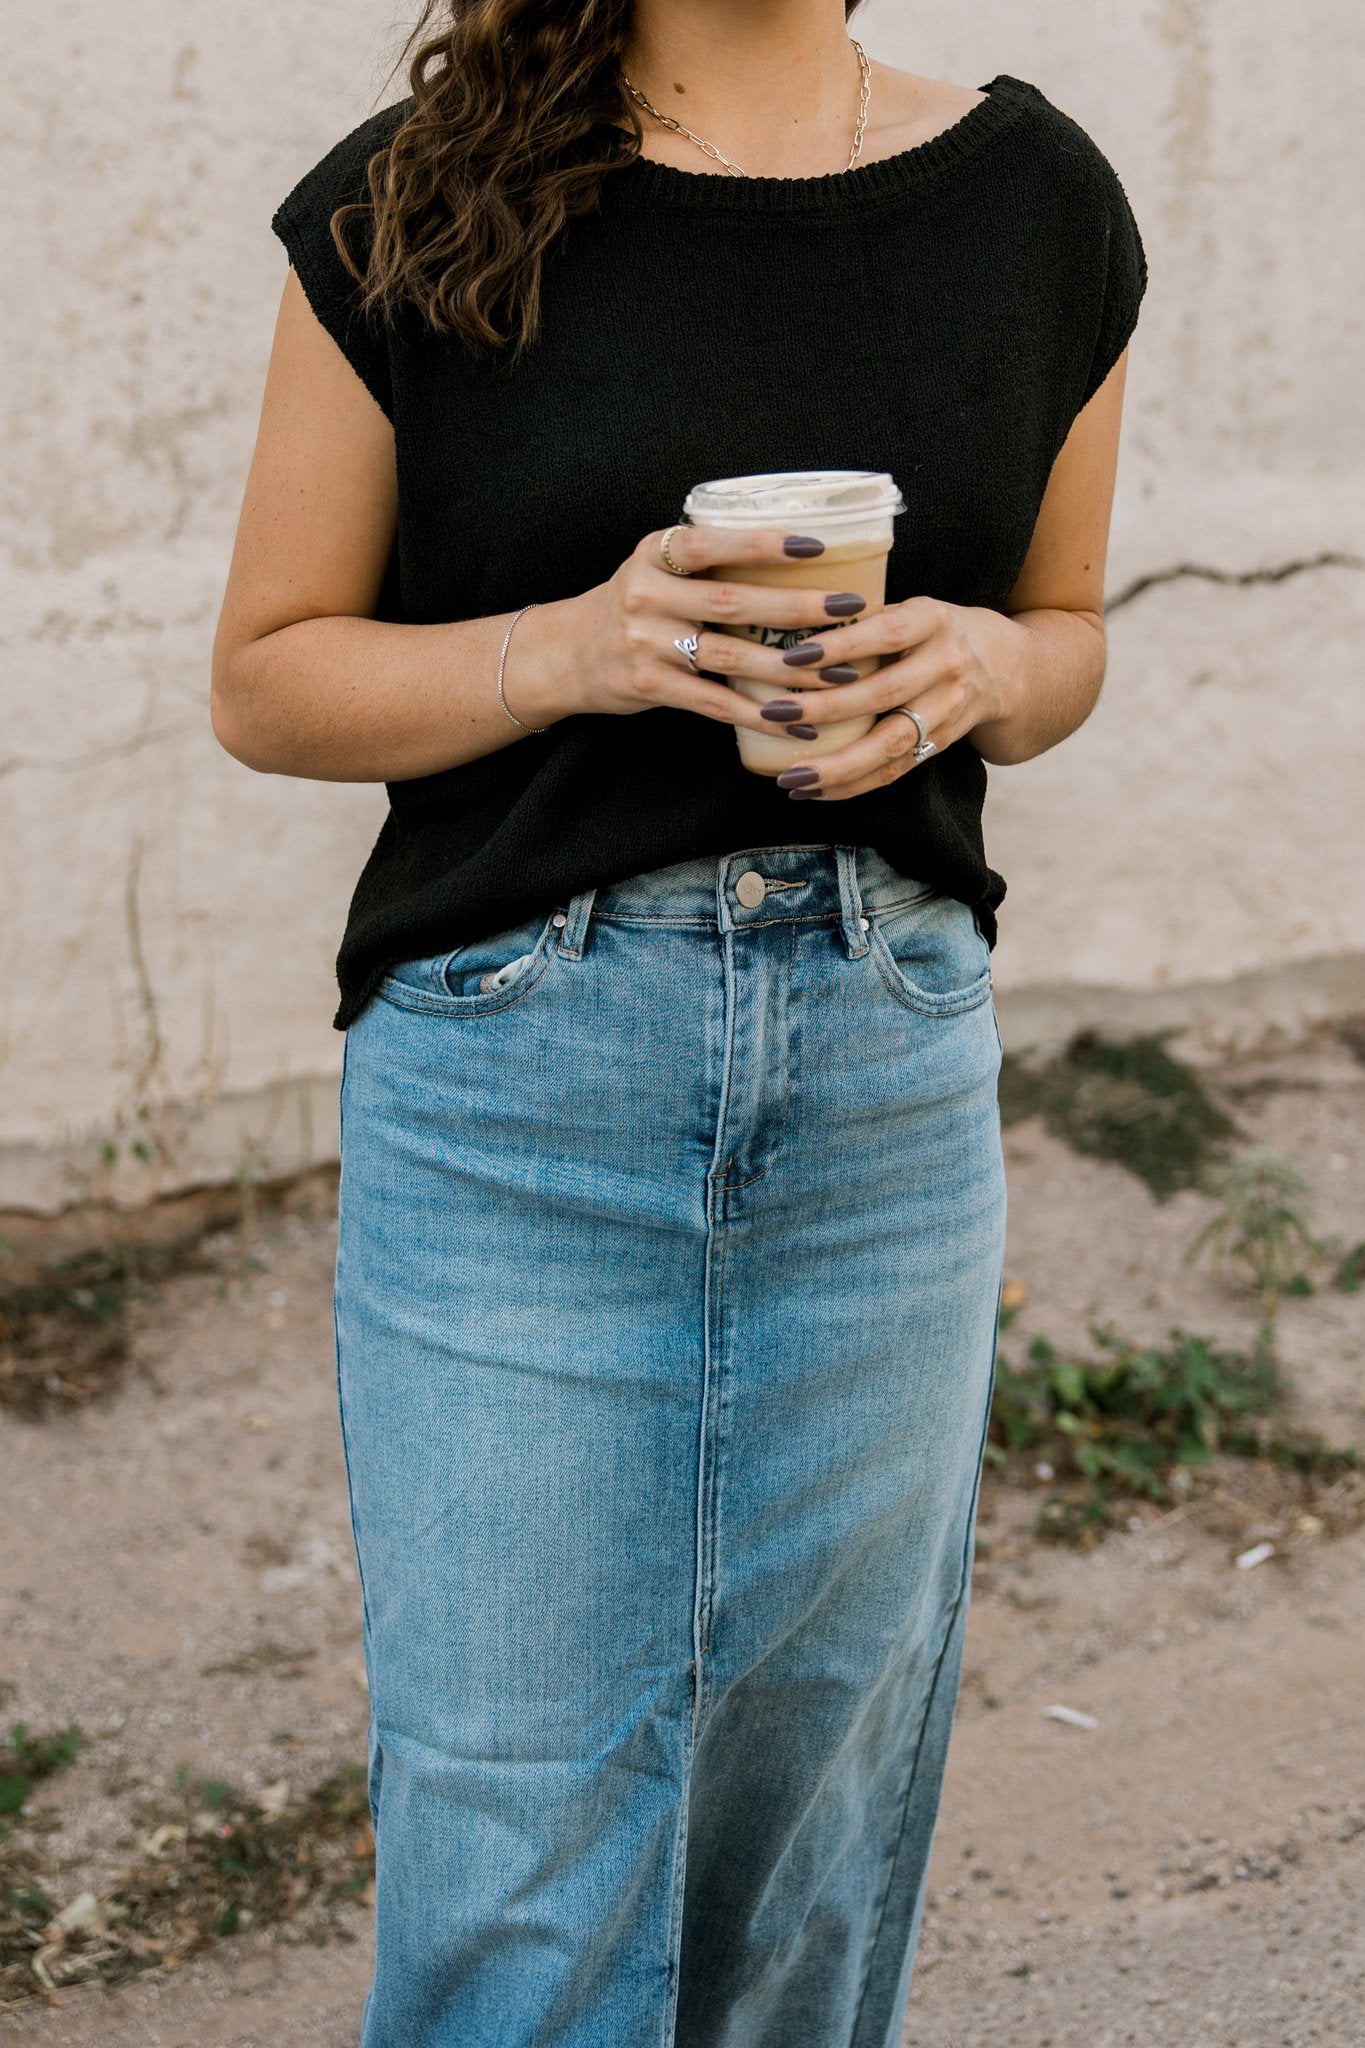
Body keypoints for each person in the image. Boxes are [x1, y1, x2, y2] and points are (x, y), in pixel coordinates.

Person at [211, 1, 1146, 2041]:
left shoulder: (1036, 204)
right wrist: (574, 647)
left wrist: (974, 661)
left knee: (803, 1838)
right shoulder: (411, 206)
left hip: (884, 1065)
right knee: (517, 1861)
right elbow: (268, 678)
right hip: (513, 1080)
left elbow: (1066, 635)